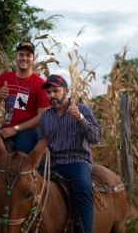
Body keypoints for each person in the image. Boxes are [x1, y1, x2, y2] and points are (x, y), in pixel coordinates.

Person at [39, 74, 101, 233]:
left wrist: (80, 118)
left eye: (55, 91)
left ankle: (85, 230)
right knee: (27, 182)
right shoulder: (45, 117)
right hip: (53, 163)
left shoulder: (82, 109)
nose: (51, 95)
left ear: (66, 91)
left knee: (82, 187)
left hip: (77, 161)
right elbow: (42, 142)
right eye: (48, 92)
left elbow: (95, 138)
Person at [0, 41, 50, 153]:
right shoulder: (4, 78)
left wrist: (15, 129)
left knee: (20, 156)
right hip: (6, 128)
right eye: (21, 54)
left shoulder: (40, 84)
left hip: (28, 131)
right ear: (16, 57)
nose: (24, 58)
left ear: (34, 58)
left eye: (28, 55)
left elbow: (43, 116)